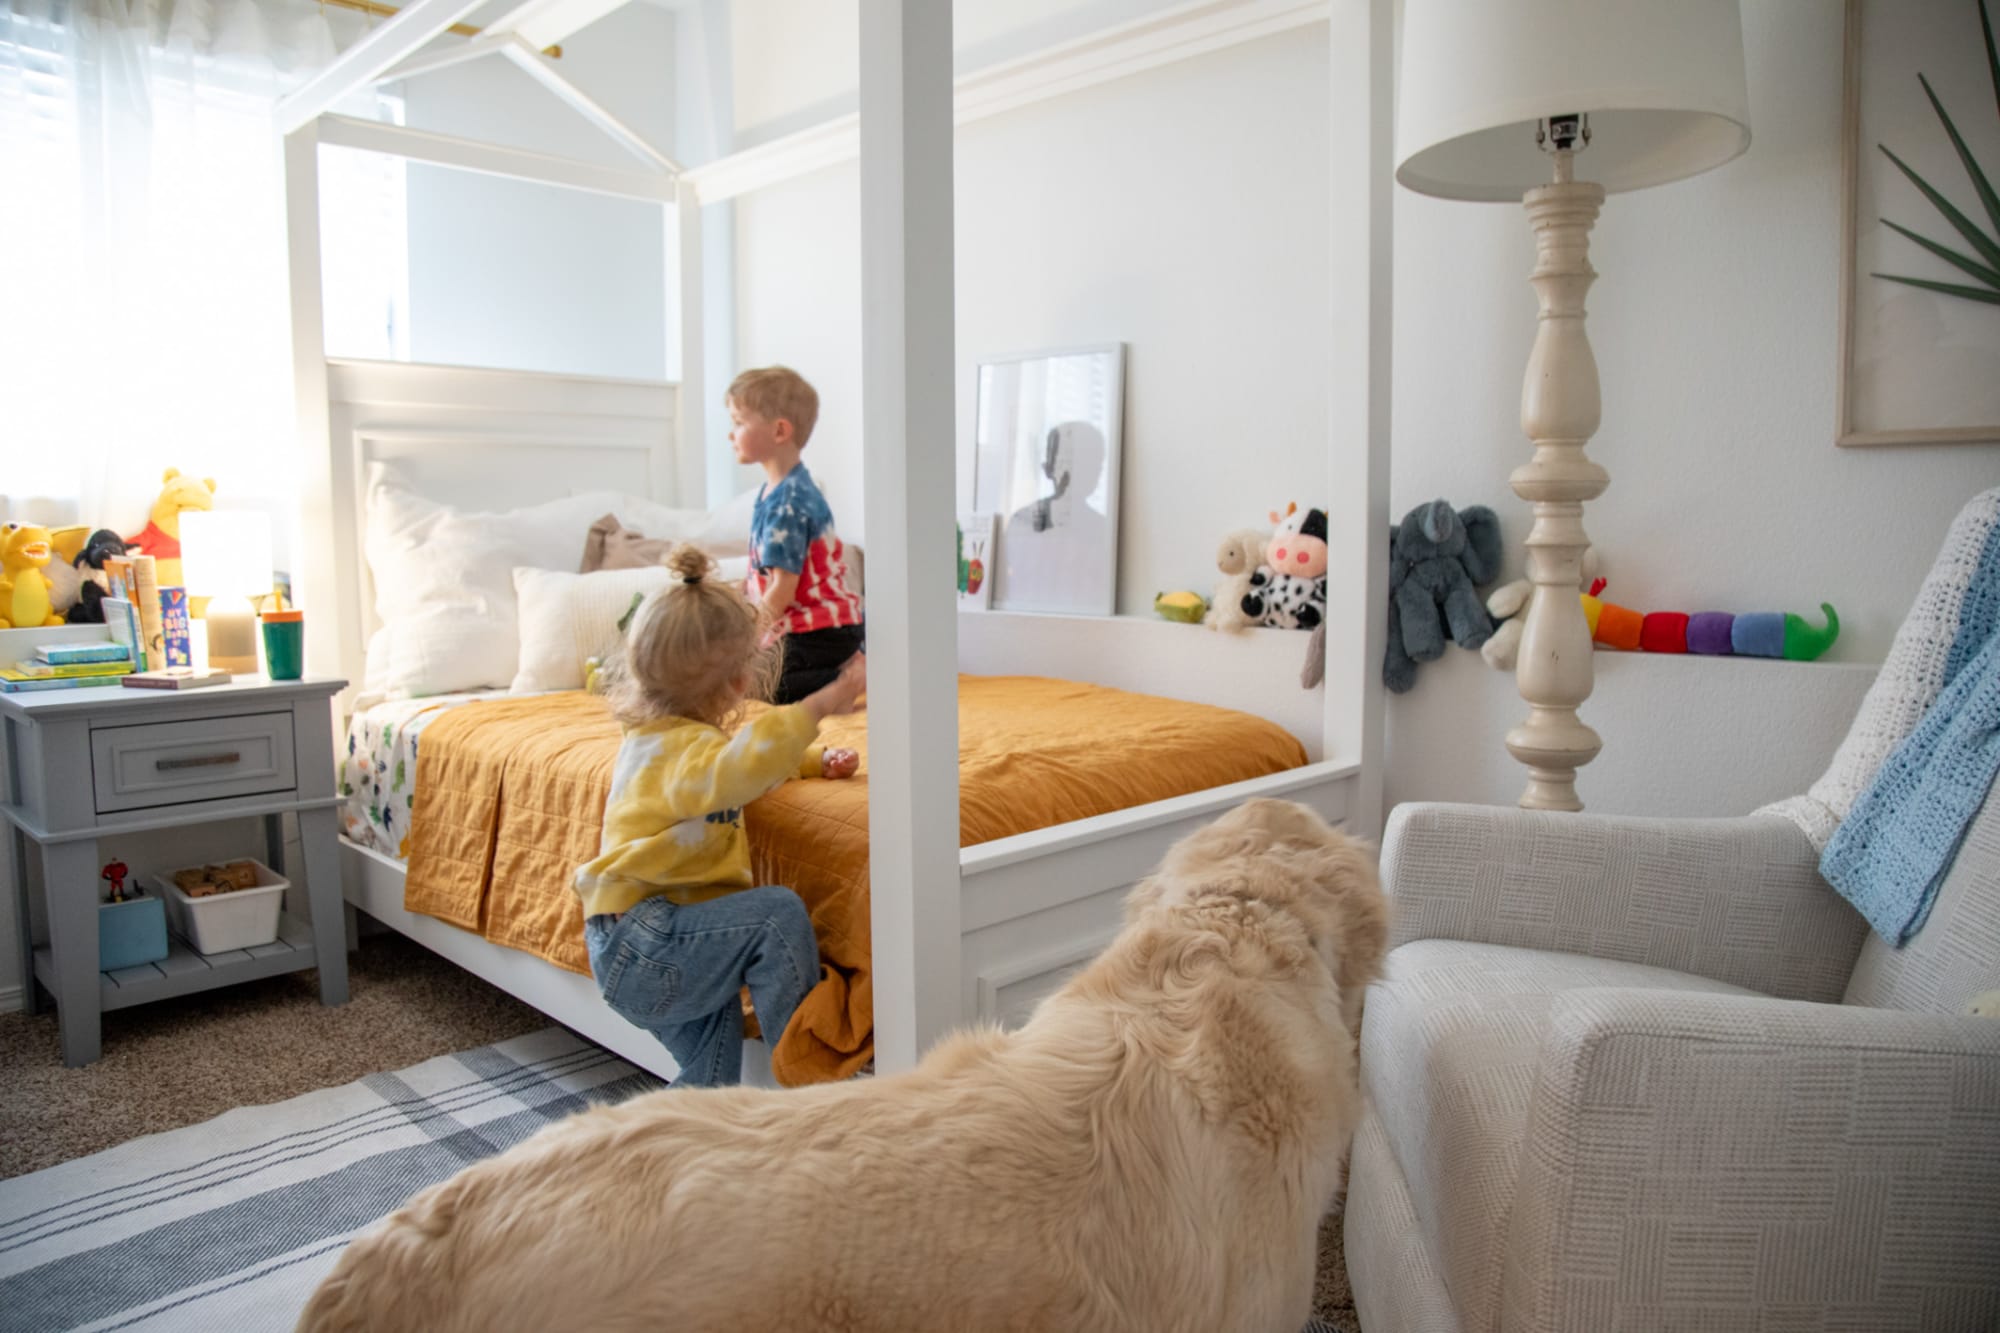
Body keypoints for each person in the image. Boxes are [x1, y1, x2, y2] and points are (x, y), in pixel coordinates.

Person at [575, 544, 865, 1086]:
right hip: (646, 942)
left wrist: (809, 761)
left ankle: (674, 1155)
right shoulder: (669, 753)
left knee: (711, 1083)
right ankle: (808, 1087)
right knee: (776, 915)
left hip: (650, 943)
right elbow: (734, 769)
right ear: (738, 681)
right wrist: (822, 704)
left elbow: (732, 768)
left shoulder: (681, 746)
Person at [727, 366, 866, 704]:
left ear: (779, 431)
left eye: (739, 423)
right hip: (815, 627)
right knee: (746, 678)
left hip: (818, 630)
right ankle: (845, 665)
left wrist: (752, 640)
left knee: (759, 685)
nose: (730, 435)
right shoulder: (775, 493)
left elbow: (781, 590)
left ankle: (848, 680)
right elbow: (763, 576)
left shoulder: (787, 504)